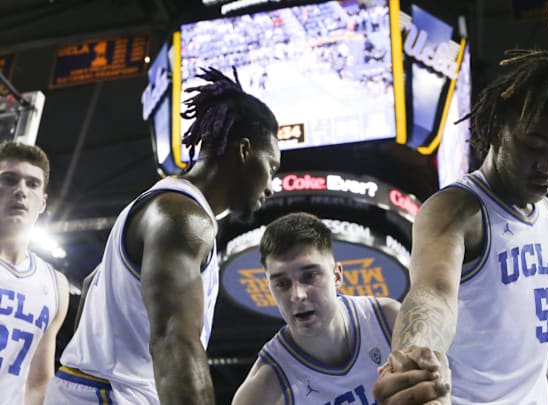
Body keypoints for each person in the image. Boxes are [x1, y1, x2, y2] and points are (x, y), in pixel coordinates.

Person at [373, 10, 548, 405]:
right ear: (496, 130)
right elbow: (432, 294)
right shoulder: (457, 209)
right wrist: (415, 355)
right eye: (534, 145)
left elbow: (533, 349)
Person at [45, 67, 281, 405]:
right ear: (244, 151)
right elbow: (176, 343)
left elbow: (92, 281)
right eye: (271, 167)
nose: (271, 187)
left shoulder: (164, 205)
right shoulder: (183, 219)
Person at [232, 212, 419, 405]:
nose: (297, 295)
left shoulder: (388, 320)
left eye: (310, 276)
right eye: (282, 283)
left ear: (337, 276)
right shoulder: (262, 391)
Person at [0, 141, 69, 405]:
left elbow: (39, 381)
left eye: (32, 184)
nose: (20, 191)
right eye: (9, 179)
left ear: (42, 203)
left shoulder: (55, 285)